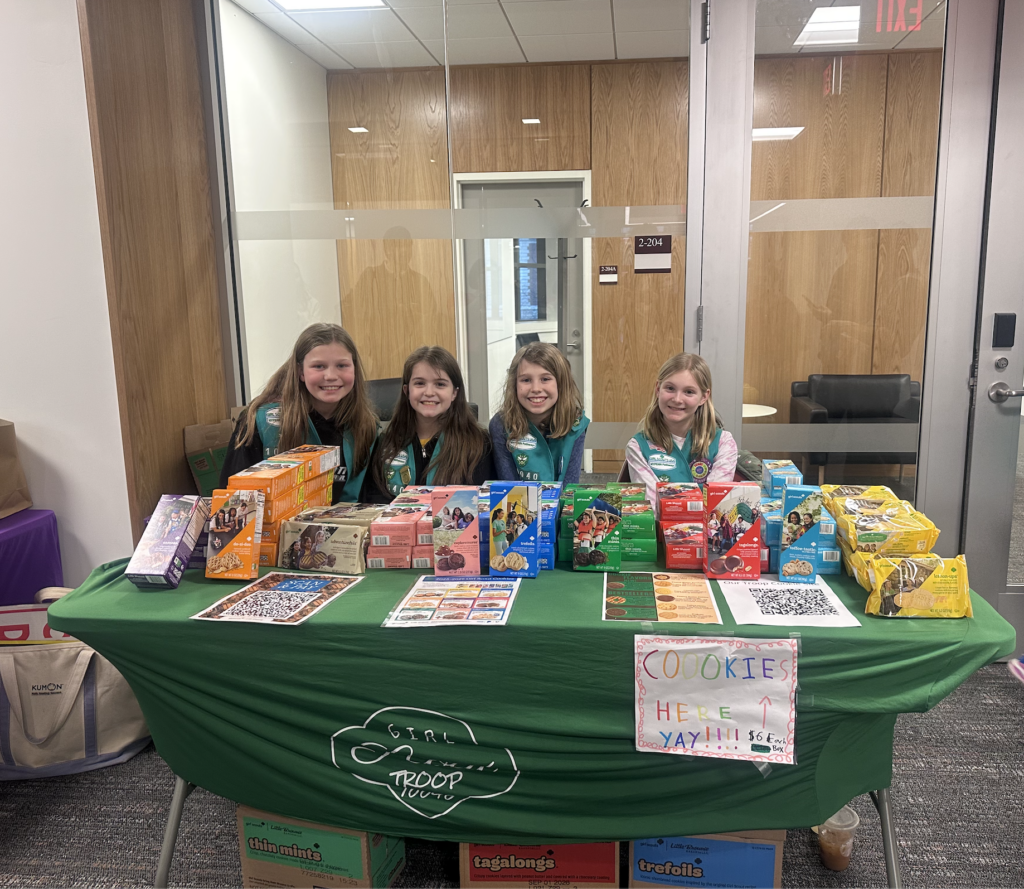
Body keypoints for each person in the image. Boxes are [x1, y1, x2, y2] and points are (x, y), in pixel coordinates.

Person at [219, 323, 378, 503]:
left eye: (342, 365)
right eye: (319, 366)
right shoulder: (259, 423)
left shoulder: (368, 427)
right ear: (300, 372)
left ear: (355, 369)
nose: (331, 375)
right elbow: (230, 501)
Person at [364, 346, 495, 501]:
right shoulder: (386, 443)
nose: (429, 392)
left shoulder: (478, 444)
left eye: (440, 384)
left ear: (454, 393)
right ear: (407, 391)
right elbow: (373, 501)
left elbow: (482, 504)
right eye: (420, 383)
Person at [626, 352, 738, 504]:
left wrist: (671, 499)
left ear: (704, 397)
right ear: (658, 389)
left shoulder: (723, 443)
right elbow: (652, 508)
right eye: (670, 388)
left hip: (707, 527)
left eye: (689, 392)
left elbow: (714, 504)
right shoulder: (638, 446)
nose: (677, 399)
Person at [490, 342, 589, 483]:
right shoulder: (501, 424)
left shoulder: (574, 422)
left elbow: (570, 487)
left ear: (561, 383)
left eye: (545, 379)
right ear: (514, 385)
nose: (536, 388)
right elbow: (509, 485)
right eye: (526, 380)